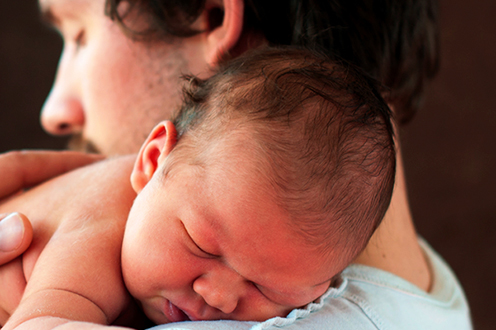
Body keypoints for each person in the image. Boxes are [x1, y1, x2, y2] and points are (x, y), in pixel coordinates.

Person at [0, 0, 472, 328]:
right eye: (202, 244)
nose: (55, 112)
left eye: (81, 36)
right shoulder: (434, 290)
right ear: (153, 157)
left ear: (216, 16)